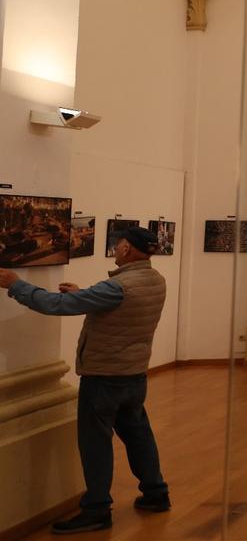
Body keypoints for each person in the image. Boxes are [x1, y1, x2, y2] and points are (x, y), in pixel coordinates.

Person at [0, 226, 170, 534]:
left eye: (118, 245)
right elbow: (118, 309)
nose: (116, 249)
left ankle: (96, 510)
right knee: (139, 435)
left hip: (104, 378)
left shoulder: (119, 286)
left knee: (95, 445)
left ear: (128, 249)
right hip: (134, 375)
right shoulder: (155, 280)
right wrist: (83, 295)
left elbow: (56, 305)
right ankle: (156, 493)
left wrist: (17, 285)